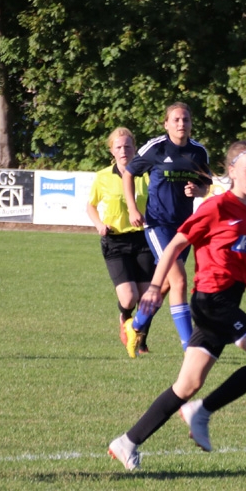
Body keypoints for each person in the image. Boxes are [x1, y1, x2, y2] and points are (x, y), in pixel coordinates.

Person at [107, 139, 246, 470]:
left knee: (187, 385)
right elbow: (174, 245)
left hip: (227, 301)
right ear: (232, 171)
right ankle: (202, 411)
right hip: (211, 301)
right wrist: (154, 287)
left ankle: (127, 441)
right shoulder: (215, 208)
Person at [121, 101, 212, 356]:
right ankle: (189, 347)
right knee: (179, 279)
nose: (181, 124)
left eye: (186, 120)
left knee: (168, 285)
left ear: (191, 124)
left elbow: (205, 186)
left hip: (185, 228)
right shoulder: (156, 148)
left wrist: (198, 191)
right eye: (176, 120)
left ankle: (134, 325)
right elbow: (128, 173)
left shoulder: (198, 152)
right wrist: (132, 208)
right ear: (166, 124)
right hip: (158, 225)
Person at [86, 127, 153, 354]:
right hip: (115, 241)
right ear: (112, 151)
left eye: (128, 146)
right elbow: (90, 206)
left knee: (147, 297)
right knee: (129, 298)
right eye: (119, 147)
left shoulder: (146, 175)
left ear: (135, 148)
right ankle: (125, 317)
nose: (124, 151)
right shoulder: (102, 177)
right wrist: (99, 224)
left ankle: (141, 342)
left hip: (143, 239)